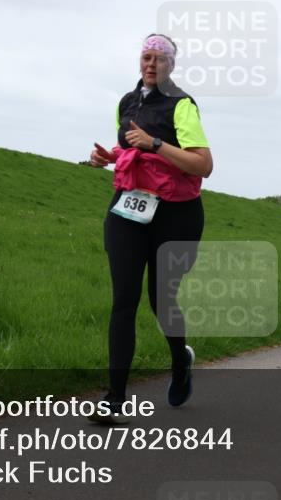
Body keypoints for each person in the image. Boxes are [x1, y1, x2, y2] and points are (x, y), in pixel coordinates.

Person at [86, 33, 213, 423]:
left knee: (162, 301)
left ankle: (180, 361)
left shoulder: (182, 105)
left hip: (176, 215)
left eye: (159, 58)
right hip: (129, 208)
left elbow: (203, 165)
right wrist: (111, 157)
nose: (151, 63)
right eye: (146, 56)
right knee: (124, 299)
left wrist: (155, 144)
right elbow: (130, 150)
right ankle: (115, 398)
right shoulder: (127, 102)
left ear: (171, 65)